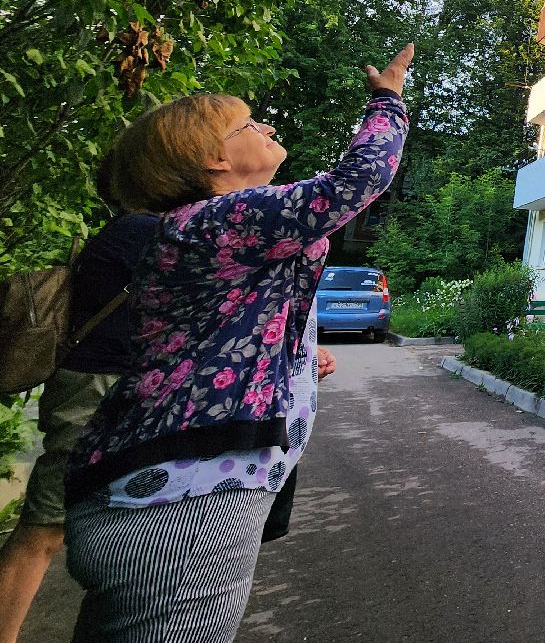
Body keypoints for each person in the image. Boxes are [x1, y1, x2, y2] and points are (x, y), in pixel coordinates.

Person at [62, 44, 412, 643]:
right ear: (211, 161)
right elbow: (358, 180)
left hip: (164, 491)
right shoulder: (215, 221)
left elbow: (224, 334)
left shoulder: (206, 235)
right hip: (184, 507)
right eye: (248, 124)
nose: (267, 126)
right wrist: (389, 99)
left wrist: (295, 361)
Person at [0, 207, 156, 643]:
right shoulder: (145, 229)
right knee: (46, 528)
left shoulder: (146, 226)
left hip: (119, 381)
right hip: (96, 385)